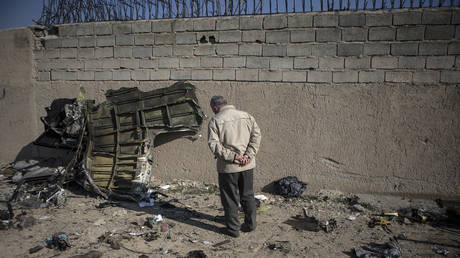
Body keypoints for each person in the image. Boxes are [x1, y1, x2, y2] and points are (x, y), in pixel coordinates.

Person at [207, 95, 262, 238]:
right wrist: (248, 156)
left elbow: (214, 145)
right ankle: (250, 225)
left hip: (228, 167)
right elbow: (256, 137)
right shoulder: (247, 116)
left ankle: (233, 229)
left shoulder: (216, 120)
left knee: (230, 198)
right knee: (248, 195)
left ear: (215, 107)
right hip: (247, 165)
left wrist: (234, 157)